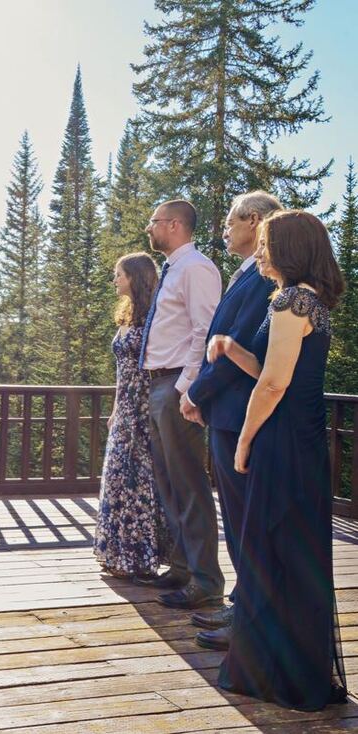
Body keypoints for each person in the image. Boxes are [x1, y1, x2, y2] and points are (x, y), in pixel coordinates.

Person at [212, 210, 347, 711]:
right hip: (302, 438)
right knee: (290, 549)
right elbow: (268, 367)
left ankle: (277, 675)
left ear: (289, 248)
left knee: (275, 550)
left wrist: (244, 440)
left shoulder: (293, 300)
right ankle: (290, 668)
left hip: (283, 438)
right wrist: (229, 347)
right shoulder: (304, 299)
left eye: (268, 243)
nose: (261, 252)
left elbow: (273, 385)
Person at [180, 191, 282, 651]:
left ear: (255, 220)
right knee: (237, 516)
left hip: (238, 412)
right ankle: (243, 605)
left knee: (243, 519)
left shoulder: (264, 277)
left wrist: (195, 393)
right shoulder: (248, 274)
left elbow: (236, 344)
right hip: (225, 412)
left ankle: (250, 617)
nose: (223, 227)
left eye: (230, 220)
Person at [134, 200, 224, 609]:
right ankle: (183, 567)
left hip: (175, 386)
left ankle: (206, 580)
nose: (148, 229)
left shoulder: (196, 268)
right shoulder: (173, 269)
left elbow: (205, 331)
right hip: (158, 384)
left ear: (173, 225)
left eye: (153, 222)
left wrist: (187, 388)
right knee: (168, 482)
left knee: (189, 484)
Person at [93, 253, 168, 578]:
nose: (115, 280)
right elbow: (120, 372)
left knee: (139, 482)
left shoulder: (155, 315)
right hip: (124, 406)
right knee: (117, 478)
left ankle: (138, 558)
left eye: (119, 275)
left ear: (134, 278)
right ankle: (114, 554)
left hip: (144, 405)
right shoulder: (126, 314)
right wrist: (113, 410)